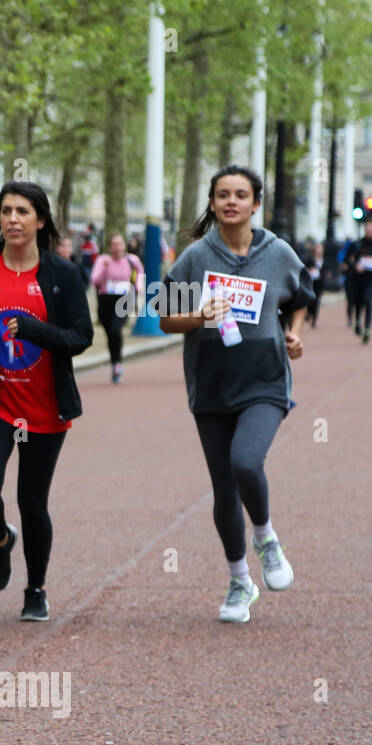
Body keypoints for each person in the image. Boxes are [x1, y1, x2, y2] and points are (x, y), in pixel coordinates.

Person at [157, 164, 310, 624]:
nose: (230, 202)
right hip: (211, 381)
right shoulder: (196, 257)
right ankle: (239, 581)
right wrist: (199, 316)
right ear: (212, 202)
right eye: (222, 194)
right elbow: (164, 316)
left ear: (255, 204)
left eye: (240, 195)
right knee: (224, 489)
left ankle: (265, 537)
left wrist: (295, 334)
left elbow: (301, 296)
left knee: (247, 461)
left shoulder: (277, 251)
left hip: (264, 378)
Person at [0, 181, 92, 623]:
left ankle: (36, 588)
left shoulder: (61, 275)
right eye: (6, 211)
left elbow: (80, 337)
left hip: (46, 406)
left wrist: (34, 330)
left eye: (22, 211)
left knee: (32, 502)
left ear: (40, 220)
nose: (12, 219)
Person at [90, 233, 144, 383]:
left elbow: (139, 273)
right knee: (110, 334)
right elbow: (95, 280)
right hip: (106, 300)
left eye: (120, 244)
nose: (118, 248)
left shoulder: (132, 260)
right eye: (114, 245)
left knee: (115, 329)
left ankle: (118, 363)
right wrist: (104, 268)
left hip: (125, 299)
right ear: (109, 247)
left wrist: (138, 286)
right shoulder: (103, 260)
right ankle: (115, 362)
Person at [343, 219, 372, 344]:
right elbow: (347, 260)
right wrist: (355, 265)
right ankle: (358, 321)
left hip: (370, 279)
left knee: (368, 301)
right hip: (358, 279)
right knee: (358, 303)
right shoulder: (357, 244)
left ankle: (366, 329)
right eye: (368, 228)